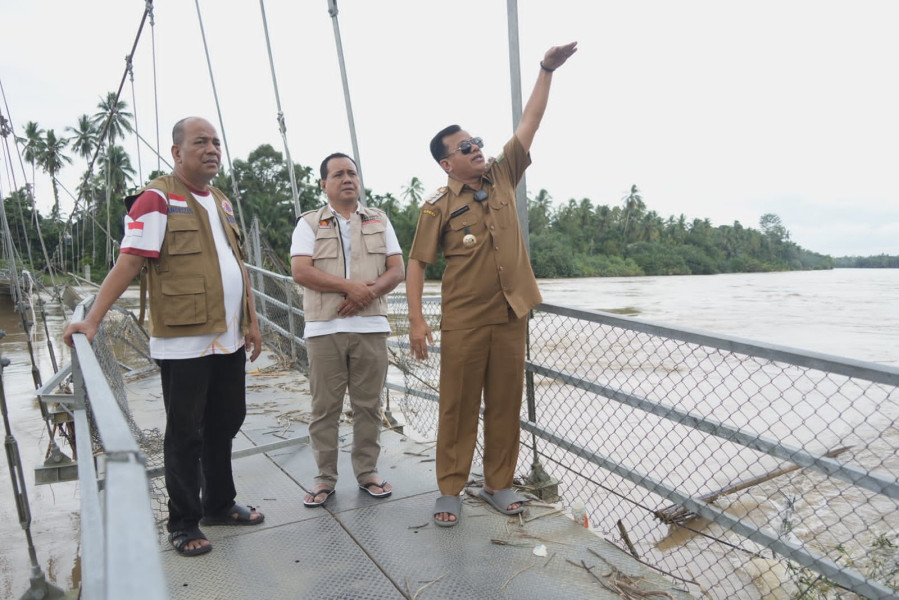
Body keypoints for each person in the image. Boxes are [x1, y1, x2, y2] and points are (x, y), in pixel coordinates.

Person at [63, 116, 264, 557]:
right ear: (177, 152)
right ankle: (184, 522)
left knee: (226, 422)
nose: (212, 149)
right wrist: (93, 320)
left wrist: (252, 321)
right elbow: (129, 262)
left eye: (216, 142)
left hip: (228, 337)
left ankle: (219, 503)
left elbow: (238, 267)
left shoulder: (223, 202)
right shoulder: (155, 200)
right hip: (184, 340)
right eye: (200, 142)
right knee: (185, 433)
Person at [406, 42, 578, 526]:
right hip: (463, 320)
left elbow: (531, 121)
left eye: (475, 140)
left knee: (505, 404)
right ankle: (450, 489)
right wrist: (417, 321)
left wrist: (545, 70)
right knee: (457, 407)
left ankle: (499, 484)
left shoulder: (503, 176)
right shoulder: (436, 207)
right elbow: (416, 263)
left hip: (511, 314)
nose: (475, 147)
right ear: (447, 163)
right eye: (464, 147)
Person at [290, 152, 405, 508]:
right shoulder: (308, 224)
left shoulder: (379, 220)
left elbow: (397, 270)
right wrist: (349, 288)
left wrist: (365, 293)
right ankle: (325, 479)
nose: (347, 179)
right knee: (325, 407)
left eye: (352, 173)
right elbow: (301, 271)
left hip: (370, 327)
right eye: (338, 174)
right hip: (325, 329)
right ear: (324, 184)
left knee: (368, 406)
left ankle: (367, 472)